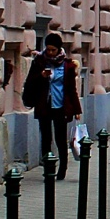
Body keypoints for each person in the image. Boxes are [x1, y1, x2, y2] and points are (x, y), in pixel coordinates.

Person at [23, 33, 84, 179]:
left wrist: (77, 109)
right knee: (46, 138)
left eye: (53, 50)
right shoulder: (39, 62)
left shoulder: (67, 65)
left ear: (59, 49)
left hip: (61, 106)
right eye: (48, 49)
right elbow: (29, 82)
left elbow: (71, 89)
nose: (50, 53)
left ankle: (62, 169)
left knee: (60, 139)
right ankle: (48, 169)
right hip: (44, 105)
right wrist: (41, 76)